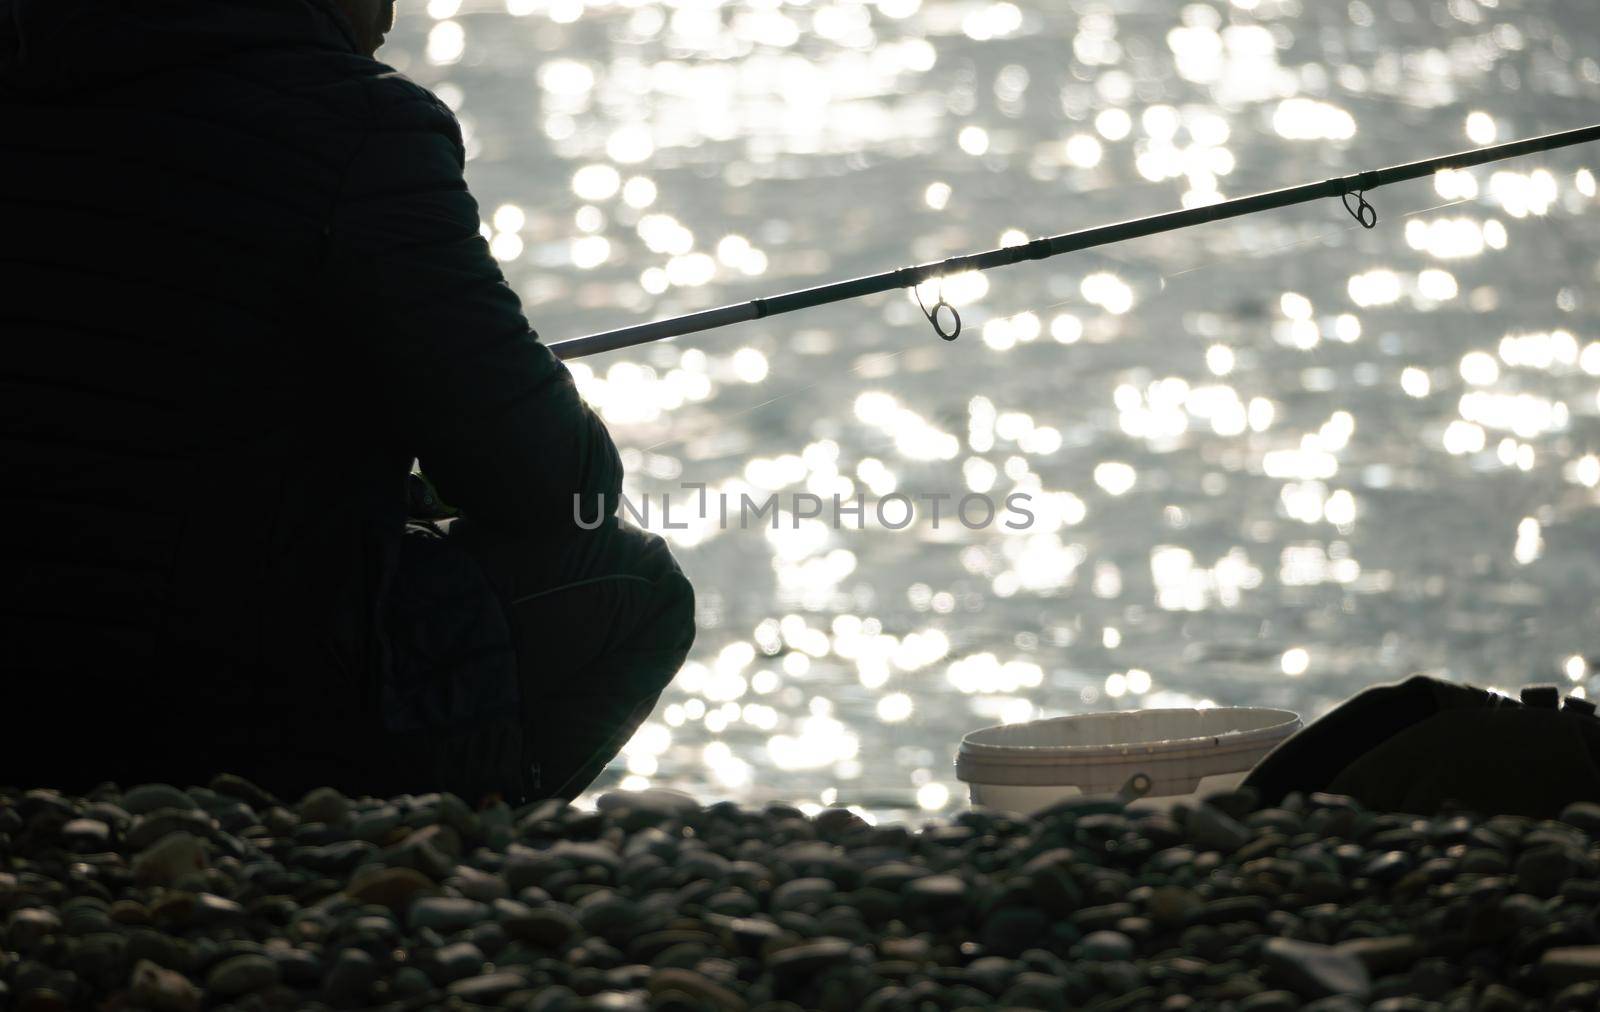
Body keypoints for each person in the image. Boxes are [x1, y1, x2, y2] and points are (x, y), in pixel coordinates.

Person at [0, 0, 695, 806]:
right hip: (208, 711)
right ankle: (434, 856)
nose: (391, 17)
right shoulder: (360, 127)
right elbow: (550, 487)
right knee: (633, 585)